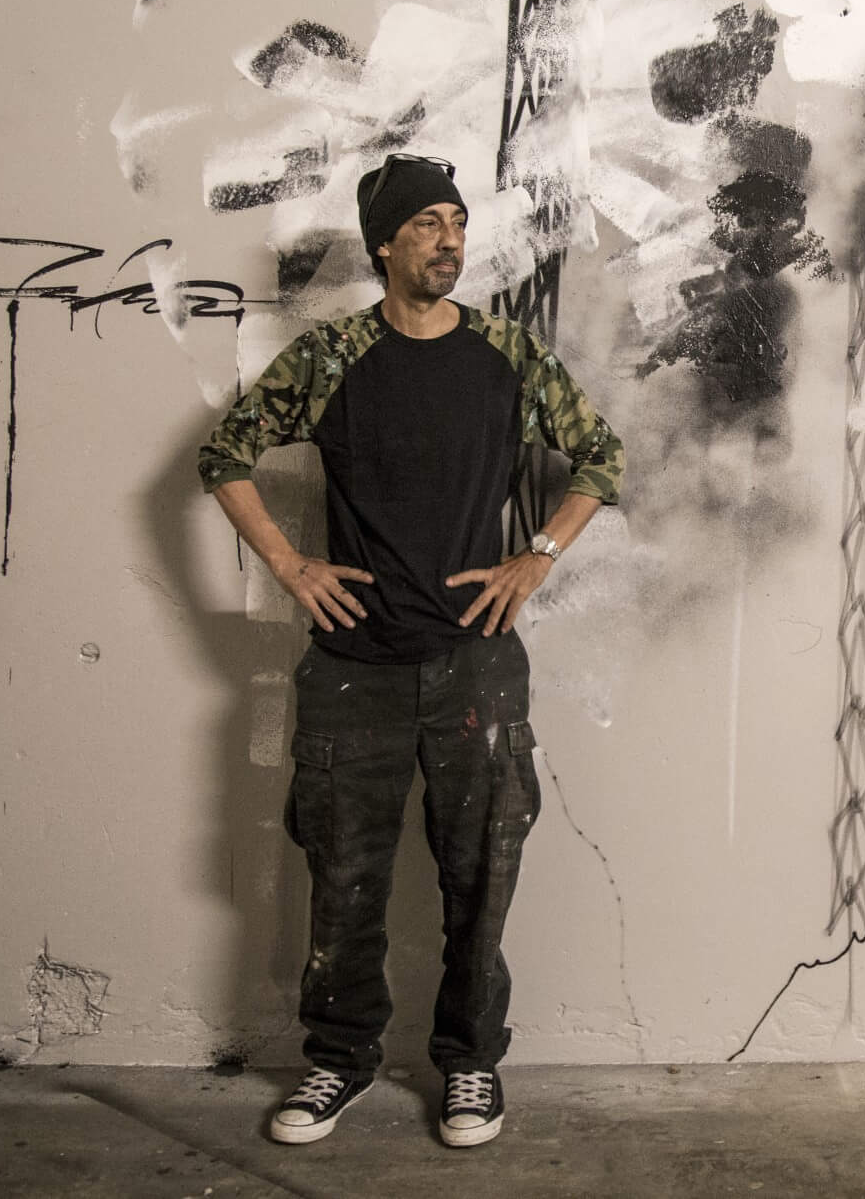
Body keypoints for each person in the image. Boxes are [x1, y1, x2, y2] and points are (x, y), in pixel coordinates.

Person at [197, 153, 622, 1149]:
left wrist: (538, 555)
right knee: (343, 876)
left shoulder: (507, 355)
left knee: (482, 876)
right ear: (384, 244)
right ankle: (339, 1061)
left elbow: (599, 456)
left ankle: (470, 1063)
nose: (448, 240)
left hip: (477, 663)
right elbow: (223, 455)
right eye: (427, 223)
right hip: (354, 667)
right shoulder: (334, 357)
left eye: (457, 223)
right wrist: (289, 565)